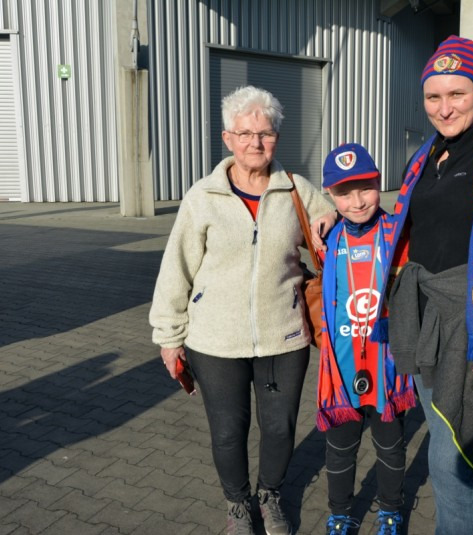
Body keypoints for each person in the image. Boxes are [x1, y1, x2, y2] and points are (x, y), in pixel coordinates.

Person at [312, 35, 473, 534]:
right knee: (459, 449)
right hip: (423, 324)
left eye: (457, 94)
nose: (444, 108)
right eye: (433, 96)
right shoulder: (424, 159)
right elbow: (402, 224)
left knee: (450, 460)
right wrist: (338, 219)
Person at [149, 86, 335, 535]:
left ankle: (270, 496)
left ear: (276, 138)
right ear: (228, 138)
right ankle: (237, 504)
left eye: (265, 133)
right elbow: (176, 267)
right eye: (246, 133)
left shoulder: (295, 189)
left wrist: (331, 217)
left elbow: (335, 215)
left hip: (284, 336)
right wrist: (169, 337)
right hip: (215, 340)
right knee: (228, 432)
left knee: (279, 428)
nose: (256, 142)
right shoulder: (203, 196)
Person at [315, 143, 415, 535]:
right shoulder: (327, 238)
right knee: (340, 448)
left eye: (366, 189)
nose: (357, 202)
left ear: (379, 183)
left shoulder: (399, 231)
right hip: (341, 367)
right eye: (344, 193)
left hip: (387, 364)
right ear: (329, 194)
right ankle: (340, 513)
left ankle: (390, 510)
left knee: (390, 445)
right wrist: (327, 216)